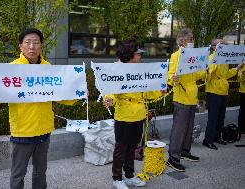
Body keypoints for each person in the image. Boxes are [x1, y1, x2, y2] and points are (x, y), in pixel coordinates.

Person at [0, 28, 76, 189]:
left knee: (40, 172)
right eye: (28, 42)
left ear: (41, 46)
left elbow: (60, 93)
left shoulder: (49, 68)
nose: (32, 47)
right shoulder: (11, 69)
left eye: (36, 43)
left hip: (44, 130)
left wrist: (77, 93)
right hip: (22, 132)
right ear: (20, 46)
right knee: (18, 175)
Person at [104, 38, 162, 189]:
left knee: (132, 148)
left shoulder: (140, 70)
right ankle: (117, 179)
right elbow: (110, 91)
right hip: (124, 116)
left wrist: (160, 91)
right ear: (130, 55)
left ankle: (129, 176)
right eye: (138, 53)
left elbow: (147, 92)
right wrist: (109, 99)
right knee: (121, 149)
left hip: (139, 115)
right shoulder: (117, 70)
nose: (140, 56)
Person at [167, 28, 205, 172]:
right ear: (182, 40)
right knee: (179, 129)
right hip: (181, 96)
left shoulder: (194, 56)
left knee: (189, 128)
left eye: (192, 38)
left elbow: (198, 75)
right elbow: (170, 74)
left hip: (191, 96)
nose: (192, 41)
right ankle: (173, 158)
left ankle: (184, 151)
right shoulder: (175, 56)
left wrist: (204, 68)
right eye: (190, 38)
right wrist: (172, 77)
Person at [203, 39, 244, 150]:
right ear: (214, 47)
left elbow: (226, 74)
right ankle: (208, 140)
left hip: (223, 90)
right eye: (222, 45)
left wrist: (237, 69)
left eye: (225, 44)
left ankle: (217, 137)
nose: (225, 46)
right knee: (213, 117)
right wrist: (216, 58)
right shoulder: (211, 57)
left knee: (221, 117)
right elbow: (208, 72)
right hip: (213, 91)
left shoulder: (224, 60)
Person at [238, 63, 245, 136]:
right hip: (243, 91)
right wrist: (243, 74)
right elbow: (240, 78)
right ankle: (241, 129)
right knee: (243, 111)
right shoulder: (242, 63)